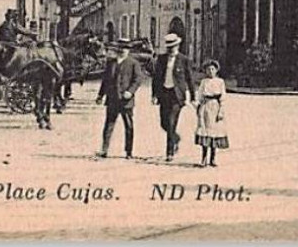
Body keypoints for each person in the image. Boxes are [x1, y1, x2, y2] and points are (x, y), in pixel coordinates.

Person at [150, 33, 194, 162]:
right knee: (164, 123)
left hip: (177, 96)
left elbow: (190, 79)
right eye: (169, 47)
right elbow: (156, 78)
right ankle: (176, 139)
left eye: (173, 46)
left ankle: (169, 153)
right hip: (164, 94)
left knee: (170, 122)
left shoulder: (184, 60)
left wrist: (192, 95)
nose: (170, 49)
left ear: (177, 45)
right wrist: (154, 95)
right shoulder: (162, 59)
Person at [96, 40, 143, 158]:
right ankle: (104, 149)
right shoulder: (111, 63)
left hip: (126, 100)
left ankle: (128, 151)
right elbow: (105, 80)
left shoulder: (133, 63)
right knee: (108, 125)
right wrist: (100, 95)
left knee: (128, 126)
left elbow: (137, 80)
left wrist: (130, 92)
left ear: (128, 50)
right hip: (112, 99)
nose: (122, 50)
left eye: (125, 48)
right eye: (121, 48)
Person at [194, 60, 228, 167]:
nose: (210, 71)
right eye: (208, 69)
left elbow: (223, 97)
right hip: (206, 108)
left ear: (216, 70)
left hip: (215, 107)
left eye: (213, 69)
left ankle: (213, 158)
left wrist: (221, 111)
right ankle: (204, 158)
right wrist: (198, 106)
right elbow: (199, 95)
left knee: (215, 133)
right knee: (205, 132)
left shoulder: (220, 82)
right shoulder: (204, 82)